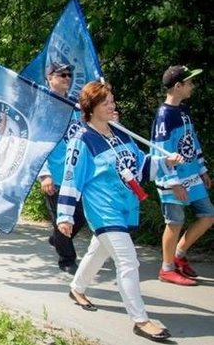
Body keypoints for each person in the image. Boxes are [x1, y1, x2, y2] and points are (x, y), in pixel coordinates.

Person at [57, 81, 182, 342]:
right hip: (103, 210)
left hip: (126, 206)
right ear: (90, 108)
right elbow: (71, 179)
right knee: (127, 260)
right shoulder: (82, 141)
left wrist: (166, 162)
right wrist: (65, 216)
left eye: (112, 101)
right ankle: (141, 320)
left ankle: (77, 288)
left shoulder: (120, 133)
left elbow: (141, 166)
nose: (112, 106)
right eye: (105, 103)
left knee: (98, 251)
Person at [151, 65, 214, 286]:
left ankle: (178, 254)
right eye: (189, 82)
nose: (192, 86)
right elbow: (160, 150)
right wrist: (173, 182)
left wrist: (202, 169)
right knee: (175, 222)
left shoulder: (184, 110)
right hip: (172, 178)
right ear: (178, 86)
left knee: (208, 215)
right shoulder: (164, 115)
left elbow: (192, 141)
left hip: (192, 175)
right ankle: (167, 269)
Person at [37, 62, 86, 274]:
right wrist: (44, 175)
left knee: (81, 216)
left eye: (69, 75)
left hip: (77, 174)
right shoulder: (44, 108)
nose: (67, 78)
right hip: (56, 175)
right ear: (50, 78)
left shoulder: (76, 105)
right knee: (62, 218)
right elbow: (37, 144)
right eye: (62, 75)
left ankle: (58, 238)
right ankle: (67, 259)